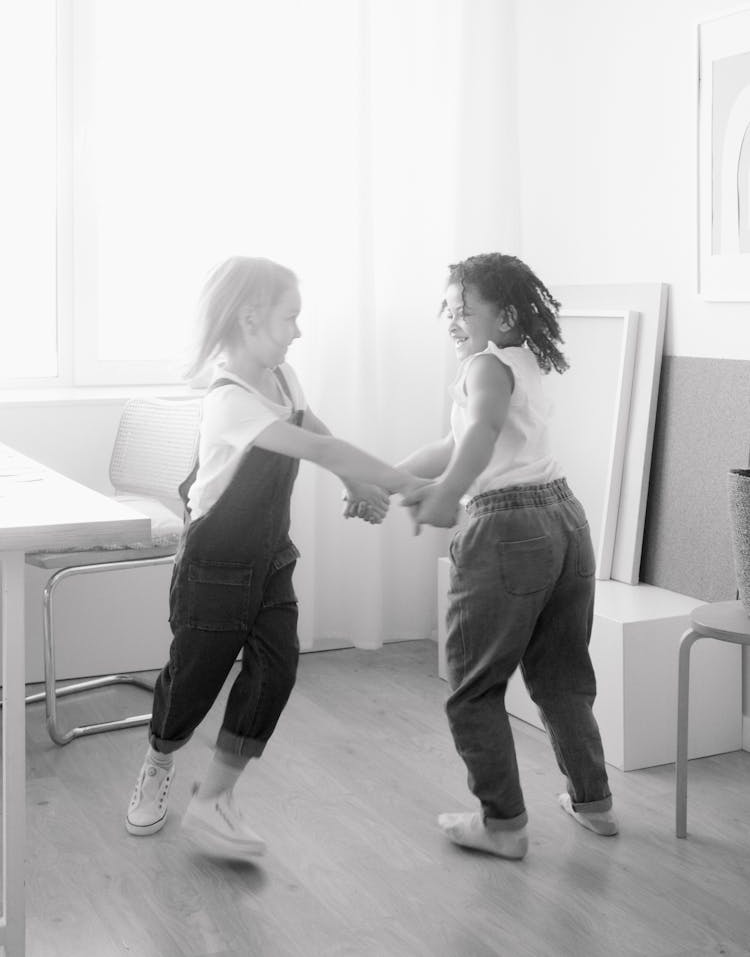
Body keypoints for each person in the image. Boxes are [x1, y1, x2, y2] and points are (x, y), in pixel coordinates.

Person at [125, 255, 422, 860]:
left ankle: (212, 799)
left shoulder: (283, 377)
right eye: (291, 317)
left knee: (277, 671)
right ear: (250, 317)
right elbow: (319, 446)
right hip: (215, 566)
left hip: (270, 557)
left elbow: (314, 425)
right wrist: (407, 483)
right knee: (194, 682)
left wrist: (355, 483)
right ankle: (158, 762)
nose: (298, 330)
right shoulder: (229, 400)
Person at [397, 252, 618, 859]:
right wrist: (393, 476)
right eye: (447, 309)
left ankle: (504, 825)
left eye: (463, 309)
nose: (451, 320)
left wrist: (445, 495)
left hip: (507, 531)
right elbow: (456, 441)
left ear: (507, 316)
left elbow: (479, 436)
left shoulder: (484, 368)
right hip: (564, 519)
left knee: (473, 687)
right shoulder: (524, 362)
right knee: (563, 678)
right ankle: (594, 802)